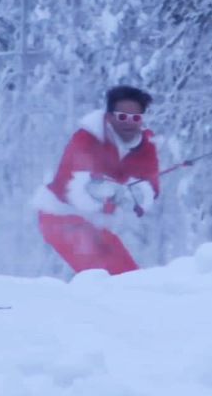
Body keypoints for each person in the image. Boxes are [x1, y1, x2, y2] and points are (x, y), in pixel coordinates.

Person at [33, 85, 161, 275]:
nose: (129, 123)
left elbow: (151, 184)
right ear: (109, 116)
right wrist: (108, 190)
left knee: (128, 275)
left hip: (97, 223)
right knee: (107, 277)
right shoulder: (86, 138)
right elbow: (73, 182)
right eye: (122, 116)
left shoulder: (144, 146)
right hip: (61, 217)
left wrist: (138, 194)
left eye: (136, 118)